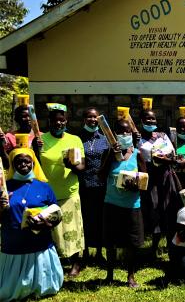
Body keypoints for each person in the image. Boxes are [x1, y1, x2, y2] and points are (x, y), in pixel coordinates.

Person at [0, 148, 63, 301]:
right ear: (13, 165)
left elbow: (56, 214)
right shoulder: (4, 188)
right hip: (13, 242)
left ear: (33, 163)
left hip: (40, 242)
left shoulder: (44, 187)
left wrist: (45, 223)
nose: (23, 164)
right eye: (19, 161)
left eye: (27, 161)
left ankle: (41, 287)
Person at [99, 119, 146, 288]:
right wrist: (111, 156)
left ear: (132, 134)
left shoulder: (137, 154)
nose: (124, 135)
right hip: (111, 203)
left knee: (132, 243)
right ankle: (109, 274)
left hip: (132, 205)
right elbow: (100, 176)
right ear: (114, 135)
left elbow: (145, 180)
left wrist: (135, 185)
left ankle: (131, 276)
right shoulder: (108, 153)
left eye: (127, 132)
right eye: (120, 132)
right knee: (110, 241)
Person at [40, 103, 85, 277]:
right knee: (52, 231)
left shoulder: (74, 140)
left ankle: (76, 262)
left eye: (62, 120)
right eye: (55, 120)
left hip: (69, 192)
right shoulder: (41, 140)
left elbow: (82, 166)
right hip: (47, 193)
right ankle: (54, 262)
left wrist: (72, 165)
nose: (59, 123)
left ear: (66, 121)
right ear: (49, 121)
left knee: (71, 228)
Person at [138, 108, 179, 256]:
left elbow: (174, 157)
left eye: (153, 119)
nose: (151, 121)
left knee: (168, 209)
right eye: (147, 119)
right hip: (150, 178)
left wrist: (164, 159)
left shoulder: (163, 136)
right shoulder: (138, 139)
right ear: (141, 121)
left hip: (165, 176)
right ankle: (154, 248)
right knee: (154, 210)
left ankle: (170, 245)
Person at [78, 107, 109, 262]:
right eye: (89, 117)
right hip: (83, 185)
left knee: (99, 219)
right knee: (84, 219)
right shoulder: (77, 138)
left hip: (101, 186)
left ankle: (98, 252)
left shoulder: (104, 139)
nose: (92, 119)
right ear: (84, 119)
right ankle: (84, 253)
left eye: (95, 117)